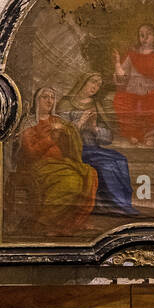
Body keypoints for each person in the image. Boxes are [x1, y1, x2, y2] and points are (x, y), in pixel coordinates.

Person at [11, 86, 97, 235]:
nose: (49, 100)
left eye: (52, 97)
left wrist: (67, 133)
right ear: (37, 100)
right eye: (45, 97)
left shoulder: (58, 120)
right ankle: (47, 223)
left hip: (61, 164)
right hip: (38, 166)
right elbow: (30, 152)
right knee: (70, 183)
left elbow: (72, 140)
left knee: (90, 173)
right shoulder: (29, 122)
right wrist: (52, 138)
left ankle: (71, 222)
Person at [58, 73, 139, 217]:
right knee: (106, 164)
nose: (95, 87)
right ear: (83, 82)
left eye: (98, 85)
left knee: (120, 159)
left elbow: (108, 137)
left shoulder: (95, 105)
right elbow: (59, 134)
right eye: (93, 82)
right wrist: (80, 124)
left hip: (93, 149)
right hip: (74, 150)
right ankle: (117, 205)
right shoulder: (66, 103)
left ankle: (125, 204)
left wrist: (94, 129)